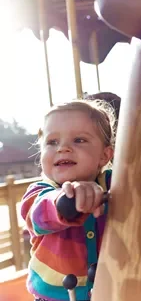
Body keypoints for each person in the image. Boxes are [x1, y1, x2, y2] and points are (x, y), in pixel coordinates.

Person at [20, 99, 116, 301]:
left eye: (79, 140)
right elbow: (38, 214)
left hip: (112, 292)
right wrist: (65, 201)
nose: (63, 148)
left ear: (104, 155)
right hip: (54, 298)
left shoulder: (116, 184)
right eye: (52, 142)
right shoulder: (40, 193)